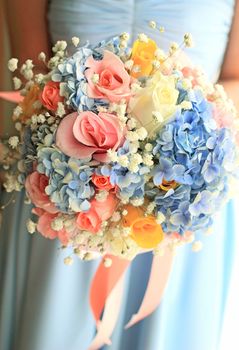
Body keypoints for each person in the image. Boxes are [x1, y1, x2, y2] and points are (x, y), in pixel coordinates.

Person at [1, 1, 239, 349]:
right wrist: (97, 148)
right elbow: (30, 85)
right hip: (69, 195)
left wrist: (166, 146)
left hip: (181, 199)